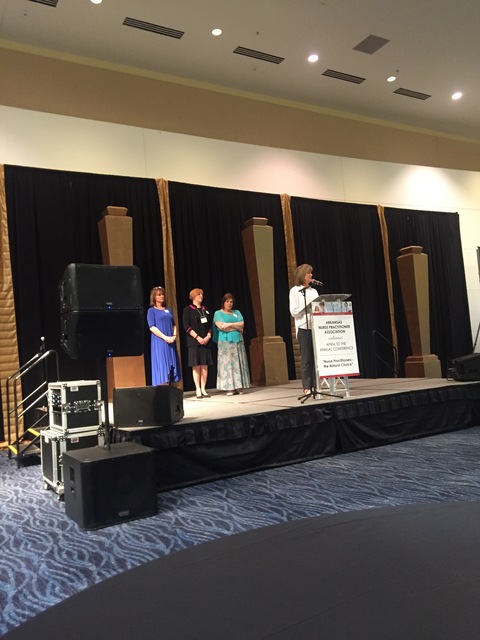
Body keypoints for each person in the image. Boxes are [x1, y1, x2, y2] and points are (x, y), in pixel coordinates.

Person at [289, 264, 321, 395]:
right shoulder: (295, 291)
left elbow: (319, 307)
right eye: (309, 273)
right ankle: (307, 386)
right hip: (303, 327)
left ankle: (316, 384)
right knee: (306, 358)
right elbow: (293, 311)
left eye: (311, 273)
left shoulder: (314, 291)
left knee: (316, 358)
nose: (311, 275)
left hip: (315, 327)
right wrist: (305, 309)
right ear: (303, 275)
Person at [213, 293, 251, 396]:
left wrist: (230, 324)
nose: (229, 304)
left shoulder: (237, 312)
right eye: (227, 302)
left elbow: (242, 324)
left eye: (231, 302)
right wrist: (236, 327)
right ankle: (229, 388)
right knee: (228, 364)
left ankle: (239, 387)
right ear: (223, 303)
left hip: (238, 341)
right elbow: (221, 327)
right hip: (225, 343)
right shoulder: (218, 313)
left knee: (238, 363)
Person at [147, 286, 182, 386]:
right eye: (159, 295)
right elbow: (152, 327)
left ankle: (169, 388)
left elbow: (174, 325)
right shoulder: (151, 311)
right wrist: (165, 337)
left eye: (162, 294)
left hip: (170, 340)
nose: (162, 296)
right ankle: (162, 388)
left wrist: (174, 336)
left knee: (171, 364)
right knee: (162, 364)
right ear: (154, 297)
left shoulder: (168, 310)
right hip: (160, 341)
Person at [182, 288, 213, 399]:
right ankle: (198, 389)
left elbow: (210, 325)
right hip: (194, 342)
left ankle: (203, 388)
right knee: (196, 365)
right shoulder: (188, 310)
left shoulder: (206, 310)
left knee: (204, 365)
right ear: (193, 297)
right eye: (198, 294)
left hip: (206, 341)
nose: (201, 296)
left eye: (201, 294)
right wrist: (198, 337)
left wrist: (208, 336)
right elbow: (186, 326)